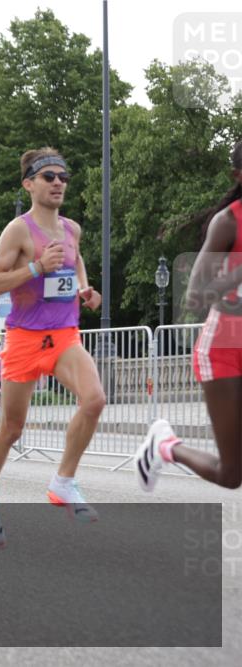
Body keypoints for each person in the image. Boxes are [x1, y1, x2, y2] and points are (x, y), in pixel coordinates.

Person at [0, 147, 105, 547]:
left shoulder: (72, 229)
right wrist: (35, 268)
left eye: (64, 177)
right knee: (11, 430)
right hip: (24, 339)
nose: (58, 183)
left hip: (64, 335)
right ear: (29, 183)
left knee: (95, 400)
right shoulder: (18, 231)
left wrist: (83, 286)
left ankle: (62, 483)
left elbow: (76, 259)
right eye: (49, 176)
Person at [135, 140, 242, 491]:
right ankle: (165, 445)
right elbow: (196, 294)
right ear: (238, 175)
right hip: (224, 352)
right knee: (231, 474)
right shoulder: (227, 222)